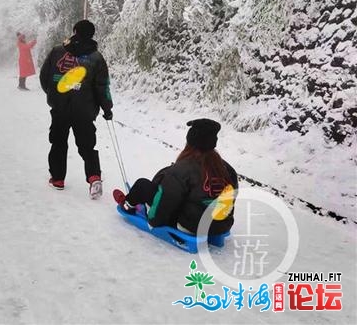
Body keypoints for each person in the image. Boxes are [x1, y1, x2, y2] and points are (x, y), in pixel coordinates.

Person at [113, 119, 238, 235]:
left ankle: (128, 205)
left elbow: (163, 207)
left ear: (190, 141)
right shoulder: (227, 169)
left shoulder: (183, 169)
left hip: (191, 224)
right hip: (221, 225)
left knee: (142, 185)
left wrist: (153, 220)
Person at [39, 19, 113, 199]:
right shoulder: (96, 58)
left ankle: (57, 179)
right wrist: (107, 108)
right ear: (92, 35)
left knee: (58, 142)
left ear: (74, 31)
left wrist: (54, 95)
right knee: (87, 146)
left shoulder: (57, 51)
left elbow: (44, 77)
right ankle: (94, 178)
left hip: (59, 108)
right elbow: (102, 86)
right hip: (85, 110)